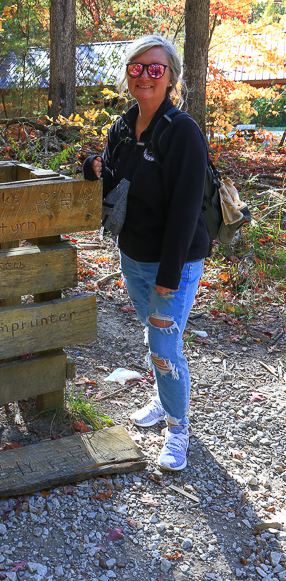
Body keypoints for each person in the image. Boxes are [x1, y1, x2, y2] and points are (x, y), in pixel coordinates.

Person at [83, 34, 211, 472]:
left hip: (173, 261)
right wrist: (92, 169)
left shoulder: (184, 133)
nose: (145, 76)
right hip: (132, 256)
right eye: (137, 68)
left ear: (171, 76)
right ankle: (163, 399)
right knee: (159, 338)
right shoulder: (122, 127)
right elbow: (115, 187)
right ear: (127, 75)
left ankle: (178, 429)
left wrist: (169, 276)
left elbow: (185, 210)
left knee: (161, 345)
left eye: (156, 69)